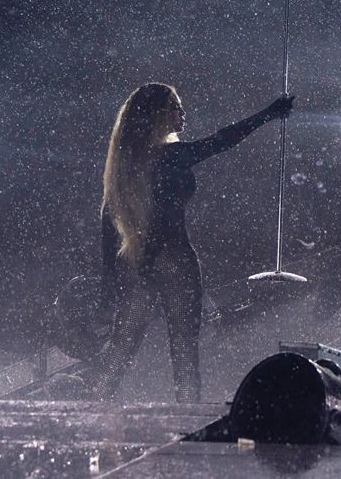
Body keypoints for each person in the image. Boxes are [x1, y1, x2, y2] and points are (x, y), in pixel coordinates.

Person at [87, 82, 294, 402]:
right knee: (184, 353)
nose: (182, 114)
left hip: (136, 261)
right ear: (157, 116)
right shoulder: (170, 156)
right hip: (174, 260)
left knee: (121, 348)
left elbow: (108, 226)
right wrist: (269, 113)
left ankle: (86, 414)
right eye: (175, 108)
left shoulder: (124, 166)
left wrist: (106, 291)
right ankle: (187, 425)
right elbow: (221, 140)